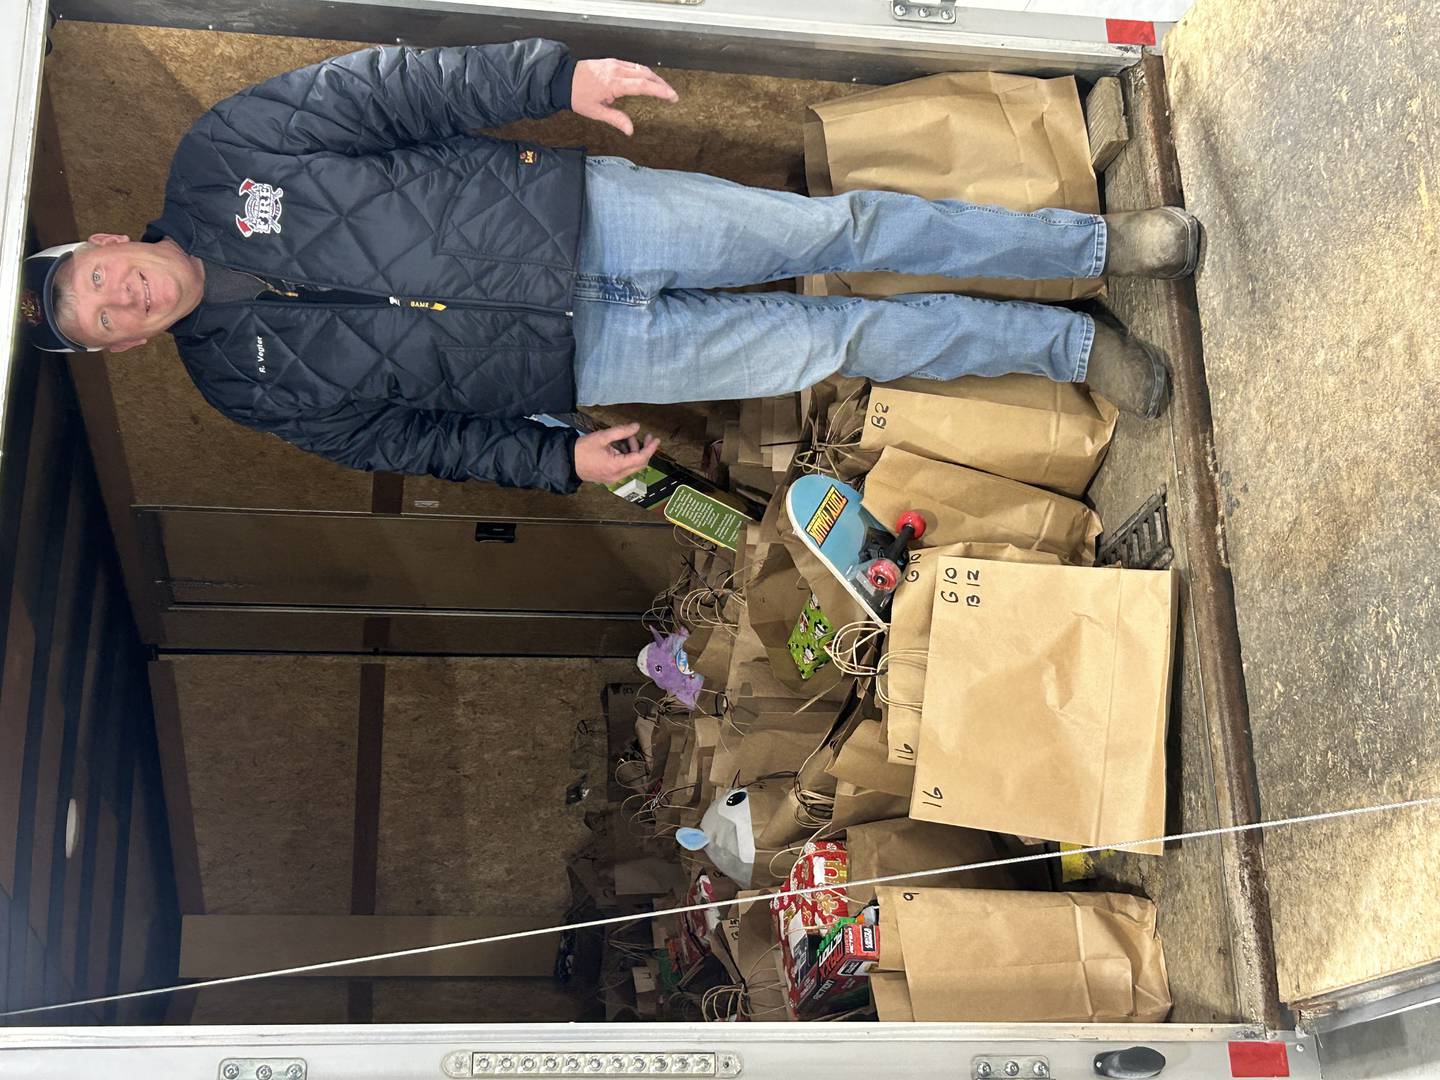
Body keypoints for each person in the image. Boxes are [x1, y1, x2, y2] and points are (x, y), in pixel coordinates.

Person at [19, 40, 1198, 495]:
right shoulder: (237, 384)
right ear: (116, 348)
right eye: (100, 322)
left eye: (98, 277)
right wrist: (555, 458)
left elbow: (398, 88)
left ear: (110, 243)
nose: (120, 300)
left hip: (582, 218)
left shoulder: (223, 151)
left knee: (833, 236)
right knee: (834, 341)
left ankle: (1095, 248)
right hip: (585, 352)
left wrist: (554, 78)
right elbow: (407, 440)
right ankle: (1069, 343)